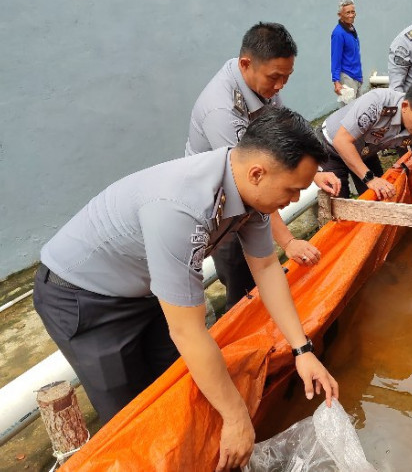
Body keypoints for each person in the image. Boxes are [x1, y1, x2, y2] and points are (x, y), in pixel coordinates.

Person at [33, 107, 339, 471]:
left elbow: (268, 267)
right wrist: (238, 419)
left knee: (186, 387)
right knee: (135, 417)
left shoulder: (250, 192)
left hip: (145, 290)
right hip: (83, 298)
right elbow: (187, 330)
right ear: (258, 173)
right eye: (292, 190)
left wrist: (302, 349)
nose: (292, 200)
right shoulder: (182, 207)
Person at [186, 22, 340, 309]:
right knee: (242, 289)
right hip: (221, 208)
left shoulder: (262, 83)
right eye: (275, 77)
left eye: (287, 76)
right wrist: (289, 242)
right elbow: (249, 185)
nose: (280, 85)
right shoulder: (222, 112)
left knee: (267, 273)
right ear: (246, 64)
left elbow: (287, 136)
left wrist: (315, 174)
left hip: (252, 196)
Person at [318, 79, 412, 238]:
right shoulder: (378, 103)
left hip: (366, 150)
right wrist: (369, 178)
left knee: (379, 202)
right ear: (405, 106)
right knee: (340, 214)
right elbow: (342, 141)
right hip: (332, 147)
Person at [331, 0, 363, 105]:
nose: (351, 15)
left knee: (359, 110)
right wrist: (336, 81)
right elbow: (335, 58)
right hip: (347, 78)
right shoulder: (338, 34)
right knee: (348, 113)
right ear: (340, 15)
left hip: (356, 76)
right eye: (347, 13)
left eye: (352, 12)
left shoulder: (351, 29)